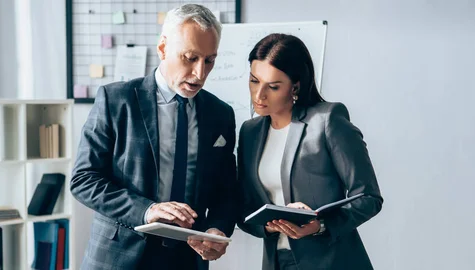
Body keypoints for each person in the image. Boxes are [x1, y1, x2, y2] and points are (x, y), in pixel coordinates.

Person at [71, 4, 237, 270]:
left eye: (209, 60)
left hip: (187, 260)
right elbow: (84, 180)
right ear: (163, 48)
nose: (200, 73)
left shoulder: (221, 114)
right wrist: (147, 210)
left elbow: (226, 191)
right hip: (118, 256)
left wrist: (217, 229)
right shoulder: (116, 100)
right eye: (190, 57)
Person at [236, 33, 384, 270]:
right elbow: (243, 207)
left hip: (331, 262)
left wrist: (319, 224)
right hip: (277, 262)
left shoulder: (327, 120)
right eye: (254, 80)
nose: (258, 95)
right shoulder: (250, 132)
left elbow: (369, 197)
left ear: (295, 86)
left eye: (273, 86)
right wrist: (268, 225)